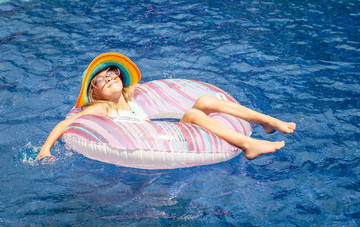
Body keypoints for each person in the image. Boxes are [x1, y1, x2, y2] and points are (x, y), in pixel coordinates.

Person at [37, 52, 296, 161]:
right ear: (94, 92)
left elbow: (154, 88)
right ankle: (247, 145)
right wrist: (46, 149)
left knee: (204, 101)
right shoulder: (102, 109)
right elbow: (66, 123)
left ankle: (265, 121)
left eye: (113, 72)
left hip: (161, 133)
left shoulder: (130, 96)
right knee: (193, 113)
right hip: (147, 142)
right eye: (101, 79)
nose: (110, 77)